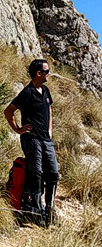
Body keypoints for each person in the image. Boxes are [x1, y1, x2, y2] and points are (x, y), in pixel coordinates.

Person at [5, 59, 55, 226]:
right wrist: (18, 129)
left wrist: (49, 130)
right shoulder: (27, 92)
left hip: (46, 139)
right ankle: (34, 210)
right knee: (36, 173)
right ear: (38, 73)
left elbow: (49, 109)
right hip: (32, 139)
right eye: (47, 71)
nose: (49, 74)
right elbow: (9, 111)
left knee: (53, 173)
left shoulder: (46, 90)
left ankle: (50, 209)